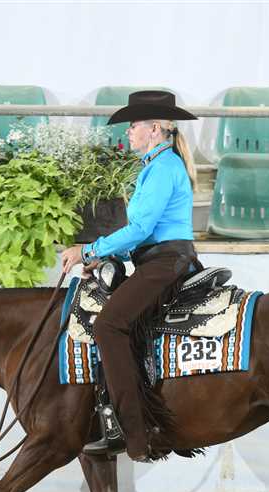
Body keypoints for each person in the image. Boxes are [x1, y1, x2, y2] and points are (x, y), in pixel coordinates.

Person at [60, 90, 199, 462]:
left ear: (154, 129)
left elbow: (140, 228)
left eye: (133, 125)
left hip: (165, 262)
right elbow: (143, 235)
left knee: (109, 326)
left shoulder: (162, 168)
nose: (128, 132)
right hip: (159, 258)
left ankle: (134, 433)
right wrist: (105, 255)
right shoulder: (158, 166)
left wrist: (88, 251)